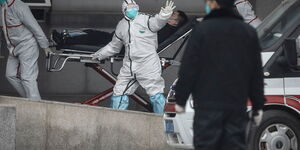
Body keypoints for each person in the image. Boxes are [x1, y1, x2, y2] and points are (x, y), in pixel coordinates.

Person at [174, 0, 266, 149]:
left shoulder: (202, 30)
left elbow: (188, 67)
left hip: (207, 106)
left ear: (213, 4)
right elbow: (255, 72)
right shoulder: (248, 32)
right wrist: (258, 105)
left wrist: (180, 99)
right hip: (236, 106)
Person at [91, 0, 176, 114]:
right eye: (130, 7)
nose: (133, 9)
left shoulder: (145, 19)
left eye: (134, 7)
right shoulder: (121, 25)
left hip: (148, 64)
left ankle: (161, 124)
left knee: (156, 94)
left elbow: (158, 22)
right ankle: (116, 122)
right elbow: (114, 46)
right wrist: (99, 54)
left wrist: (164, 14)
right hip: (129, 65)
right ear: (124, 10)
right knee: (119, 93)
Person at [52, 10, 187, 48]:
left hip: (126, 45)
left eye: (172, 15)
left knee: (93, 35)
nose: (168, 15)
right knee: (93, 34)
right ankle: (65, 39)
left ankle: (64, 41)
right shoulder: (164, 27)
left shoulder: (166, 29)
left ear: (175, 23)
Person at [0, 0, 51, 100]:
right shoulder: (1, 8)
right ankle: (30, 101)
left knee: (27, 78)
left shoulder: (19, 6)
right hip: (13, 49)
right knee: (10, 75)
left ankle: (36, 107)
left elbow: (35, 27)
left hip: (27, 46)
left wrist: (45, 46)